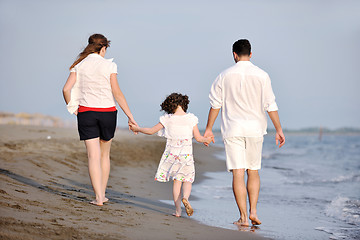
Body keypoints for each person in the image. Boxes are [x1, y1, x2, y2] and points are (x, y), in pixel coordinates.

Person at [204, 39, 285, 226]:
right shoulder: (262, 75)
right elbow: (270, 105)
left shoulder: (224, 75)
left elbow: (215, 105)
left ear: (234, 54)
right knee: (253, 171)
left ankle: (243, 217)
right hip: (255, 130)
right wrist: (279, 129)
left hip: (233, 130)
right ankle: (254, 211)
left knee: (238, 173)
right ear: (251, 54)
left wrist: (208, 129)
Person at [62, 34, 137, 206]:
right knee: (104, 155)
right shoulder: (109, 65)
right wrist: (130, 116)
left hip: (86, 113)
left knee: (92, 156)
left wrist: (74, 108)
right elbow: (117, 93)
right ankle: (103, 195)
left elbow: (66, 89)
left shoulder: (78, 65)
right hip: (108, 113)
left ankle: (98, 198)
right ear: (103, 48)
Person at [129, 93, 212, 217]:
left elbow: (151, 131)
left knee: (177, 182)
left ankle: (178, 211)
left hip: (172, 155)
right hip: (186, 155)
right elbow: (198, 138)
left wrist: (138, 128)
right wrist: (207, 140)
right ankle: (186, 198)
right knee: (187, 180)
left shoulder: (167, 119)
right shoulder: (191, 119)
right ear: (184, 104)